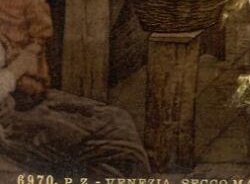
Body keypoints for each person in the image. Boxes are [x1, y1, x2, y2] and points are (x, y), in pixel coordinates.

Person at [0, 41, 150, 175]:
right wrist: (17, 67)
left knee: (114, 118)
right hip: (8, 117)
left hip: (17, 99)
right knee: (111, 143)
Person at [0, 0, 52, 109]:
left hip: (20, 48)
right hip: (2, 44)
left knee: (26, 85)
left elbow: (41, 29)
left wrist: (33, 48)